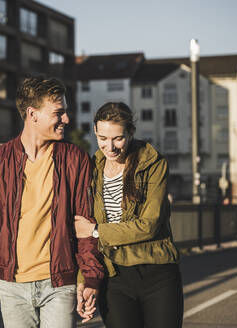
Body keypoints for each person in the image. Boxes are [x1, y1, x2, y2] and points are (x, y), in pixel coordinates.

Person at [0, 76, 104, 327]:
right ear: (32, 114)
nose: (66, 119)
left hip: (59, 284)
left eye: (65, 112)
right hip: (12, 287)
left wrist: (90, 279)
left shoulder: (75, 159)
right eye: (59, 113)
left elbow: (86, 227)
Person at [75, 102, 183, 328]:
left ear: (131, 133)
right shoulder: (92, 169)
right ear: (95, 132)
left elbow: (149, 225)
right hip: (114, 278)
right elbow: (85, 237)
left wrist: (97, 231)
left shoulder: (153, 164)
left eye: (118, 138)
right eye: (102, 138)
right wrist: (85, 280)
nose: (110, 146)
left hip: (157, 273)